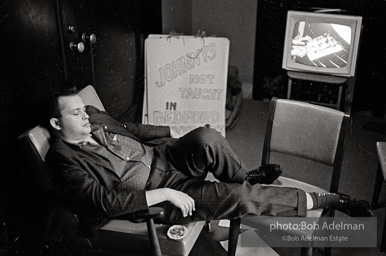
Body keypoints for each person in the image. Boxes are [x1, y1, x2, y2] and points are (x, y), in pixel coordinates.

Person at [44, 87, 372, 236]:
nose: (85, 114)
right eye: (75, 113)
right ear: (57, 125)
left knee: (206, 138)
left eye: (83, 109)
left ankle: (248, 176)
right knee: (239, 198)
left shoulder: (92, 116)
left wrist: (175, 131)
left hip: (163, 155)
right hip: (158, 190)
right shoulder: (63, 159)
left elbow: (128, 128)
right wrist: (164, 195)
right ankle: (330, 199)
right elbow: (104, 201)